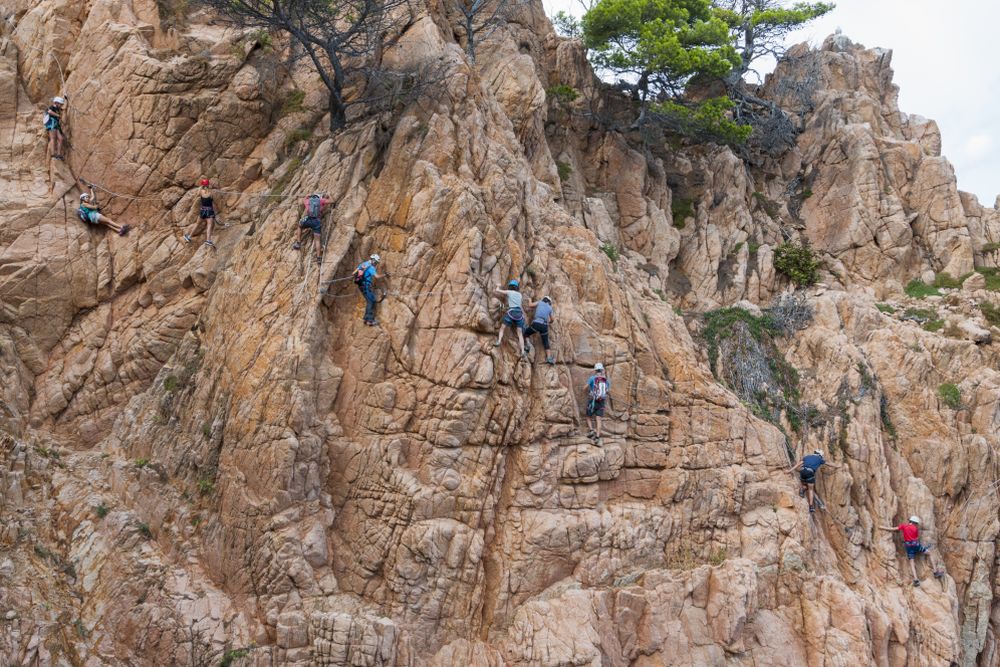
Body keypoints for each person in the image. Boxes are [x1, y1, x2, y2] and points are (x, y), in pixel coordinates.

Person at [878, 516, 945, 587]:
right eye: (916, 524)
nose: (916, 525)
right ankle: (935, 572)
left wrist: (881, 527)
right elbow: (916, 538)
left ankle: (916, 580)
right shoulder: (915, 528)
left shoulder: (904, 526)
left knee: (912, 562)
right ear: (915, 523)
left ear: (910, 521)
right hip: (915, 545)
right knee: (929, 553)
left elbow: (893, 529)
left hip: (908, 546)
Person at [788, 449, 830, 513]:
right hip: (810, 473)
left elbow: (797, 465)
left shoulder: (807, 457)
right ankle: (811, 506)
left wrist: (789, 471)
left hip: (802, 472)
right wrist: (837, 466)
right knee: (810, 489)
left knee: (805, 484)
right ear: (820, 455)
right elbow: (829, 464)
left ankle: (803, 488)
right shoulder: (819, 459)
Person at [292, 193, 331, 263]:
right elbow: (332, 201)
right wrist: (329, 195)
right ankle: (319, 258)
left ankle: (298, 243)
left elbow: (304, 199)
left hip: (308, 219)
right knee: (317, 240)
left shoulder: (308, 201)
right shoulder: (321, 201)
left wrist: (308, 195)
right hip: (317, 222)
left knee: (299, 226)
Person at [183, 178, 218, 248]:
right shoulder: (211, 192)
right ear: (208, 184)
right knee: (209, 225)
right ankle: (208, 240)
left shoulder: (200, 191)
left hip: (203, 210)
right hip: (209, 211)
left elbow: (197, 194)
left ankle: (189, 237)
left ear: (202, 185)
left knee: (197, 224)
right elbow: (212, 199)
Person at [494, 279, 526, 354]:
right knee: (520, 334)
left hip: (511, 313)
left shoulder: (509, 292)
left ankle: (498, 341)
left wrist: (498, 286)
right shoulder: (520, 295)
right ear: (517, 287)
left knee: (502, 328)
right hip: (519, 315)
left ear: (510, 286)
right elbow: (520, 306)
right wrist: (523, 315)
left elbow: (497, 291)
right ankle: (523, 351)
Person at [522, 296, 555, 364]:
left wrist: (529, 299)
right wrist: (549, 322)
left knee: (526, 333)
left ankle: (528, 345)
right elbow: (552, 319)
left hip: (536, 324)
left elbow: (530, 305)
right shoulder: (550, 307)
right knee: (546, 342)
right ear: (549, 302)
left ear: (543, 299)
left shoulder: (540, 302)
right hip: (544, 325)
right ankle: (549, 358)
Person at [354, 253, 384, 325]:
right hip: (366, 286)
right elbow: (376, 276)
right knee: (371, 301)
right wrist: (384, 275)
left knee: (369, 301)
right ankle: (369, 320)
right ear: (373, 261)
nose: (376, 264)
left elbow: (353, 273)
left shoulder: (363, 264)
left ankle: (366, 319)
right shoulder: (371, 267)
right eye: (376, 262)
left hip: (361, 285)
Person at [585, 363, 610, 442]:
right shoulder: (606, 380)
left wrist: (589, 390)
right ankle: (597, 437)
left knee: (588, 416)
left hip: (592, 401)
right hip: (601, 402)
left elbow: (584, 387)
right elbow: (608, 391)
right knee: (598, 420)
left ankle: (591, 430)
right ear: (602, 370)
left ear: (595, 370)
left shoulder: (592, 378)